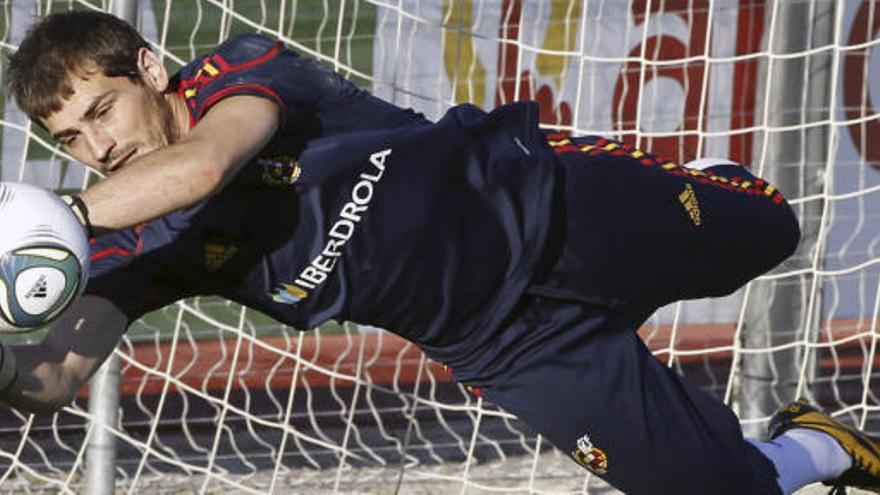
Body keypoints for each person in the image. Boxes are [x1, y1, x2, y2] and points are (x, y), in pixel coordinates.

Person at [0, 10, 876, 495]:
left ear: (152, 71)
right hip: (509, 346)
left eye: (101, 112)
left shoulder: (240, 70)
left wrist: (64, 212)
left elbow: (205, 164)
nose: (96, 145)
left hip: (548, 208)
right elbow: (54, 378)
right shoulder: (138, 243)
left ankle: (705, 178)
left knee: (772, 230)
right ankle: (821, 443)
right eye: (69, 138)